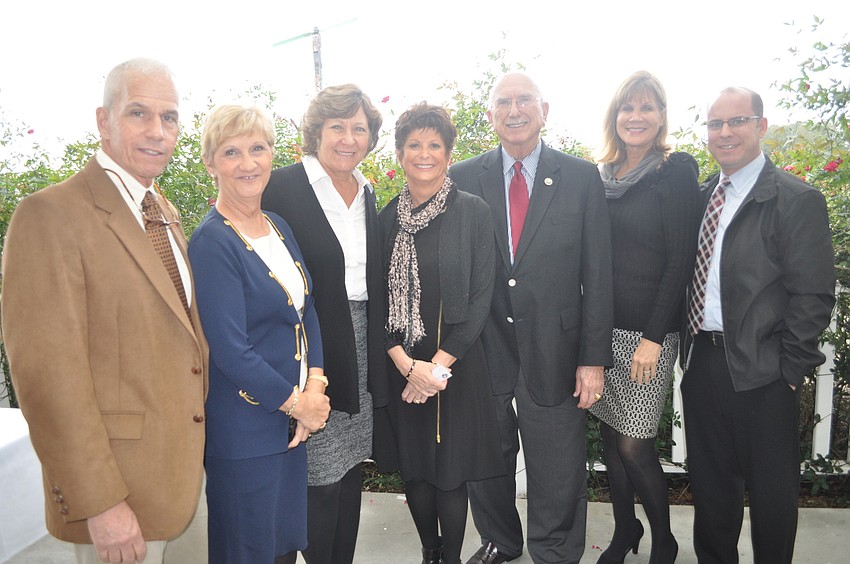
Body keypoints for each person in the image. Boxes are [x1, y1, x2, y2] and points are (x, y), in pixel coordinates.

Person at [1, 58, 209, 564]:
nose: (158, 132)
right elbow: (48, 380)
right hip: (121, 500)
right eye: (139, 113)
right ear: (103, 120)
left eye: (170, 117)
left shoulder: (162, 210)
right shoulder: (50, 215)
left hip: (185, 484)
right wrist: (101, 504)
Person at [449, 72, 614, 564]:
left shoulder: (582, 177)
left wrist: (592, 359)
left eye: (524, 100)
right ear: (490, 115)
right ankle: (501, 539)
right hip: (484, 347)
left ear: (545, 109)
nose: (514, 110)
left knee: (559, 463)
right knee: (486, 457)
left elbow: (598, 275)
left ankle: (556, 550)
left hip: (557, 349)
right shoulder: (462, 177)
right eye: (504, 102)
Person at [680, 87, 835, 564]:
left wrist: (789, 369)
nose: (724, 133)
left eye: (737, 121)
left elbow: (813, 295)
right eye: (715, 124)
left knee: (771, 495)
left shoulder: (794, 199)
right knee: (710, 488)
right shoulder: (703, 195)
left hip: (765, 370)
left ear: (761, 126)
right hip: (703, 360)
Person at [189, 104, 330, 563]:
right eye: (231, 152)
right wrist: (299, 405)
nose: (248, 163)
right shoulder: (212, 242)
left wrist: (316, 384)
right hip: (246, 432)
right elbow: (230, 349)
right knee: (247, 552)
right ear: (211, 163)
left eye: (257, 148)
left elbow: (306, 309)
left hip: (289, 427)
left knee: (282, 548)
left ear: (273, 154)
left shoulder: (278, 226)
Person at [261, 83, 386, 564]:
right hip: (307, 350)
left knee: (351, 468)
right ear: (317, 132)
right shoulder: (281, 186)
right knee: (317, 479)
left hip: (360, 345)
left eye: (359, 128)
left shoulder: (367, 192)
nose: (349, 138)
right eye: (338, 126)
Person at [376, 102, 504, 564]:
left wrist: (436, 369)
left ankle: (450, 556)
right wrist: (409, 368)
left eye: (434, 145)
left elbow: (480, 299)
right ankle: (429, 553)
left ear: (449, 154)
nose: (424, 153)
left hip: (457, 367)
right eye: (414, 144)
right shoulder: (387, 218)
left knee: (450, 474)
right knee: (416, 472)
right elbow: (376, 301)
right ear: (399, 153)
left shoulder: (472, 212)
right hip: (403, 368)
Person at [589, 71, 701, 564]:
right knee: (612, 439)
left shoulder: (674, 170)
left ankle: (664, 537)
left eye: (646, 108)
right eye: (626, 108)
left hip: (648, 333)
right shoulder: (600, 176)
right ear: (615, 117)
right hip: (601, 328)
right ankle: (623, 530)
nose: (635, 117)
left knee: (634, 444)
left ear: (660, 117)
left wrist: (654, 338)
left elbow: (681, 257)